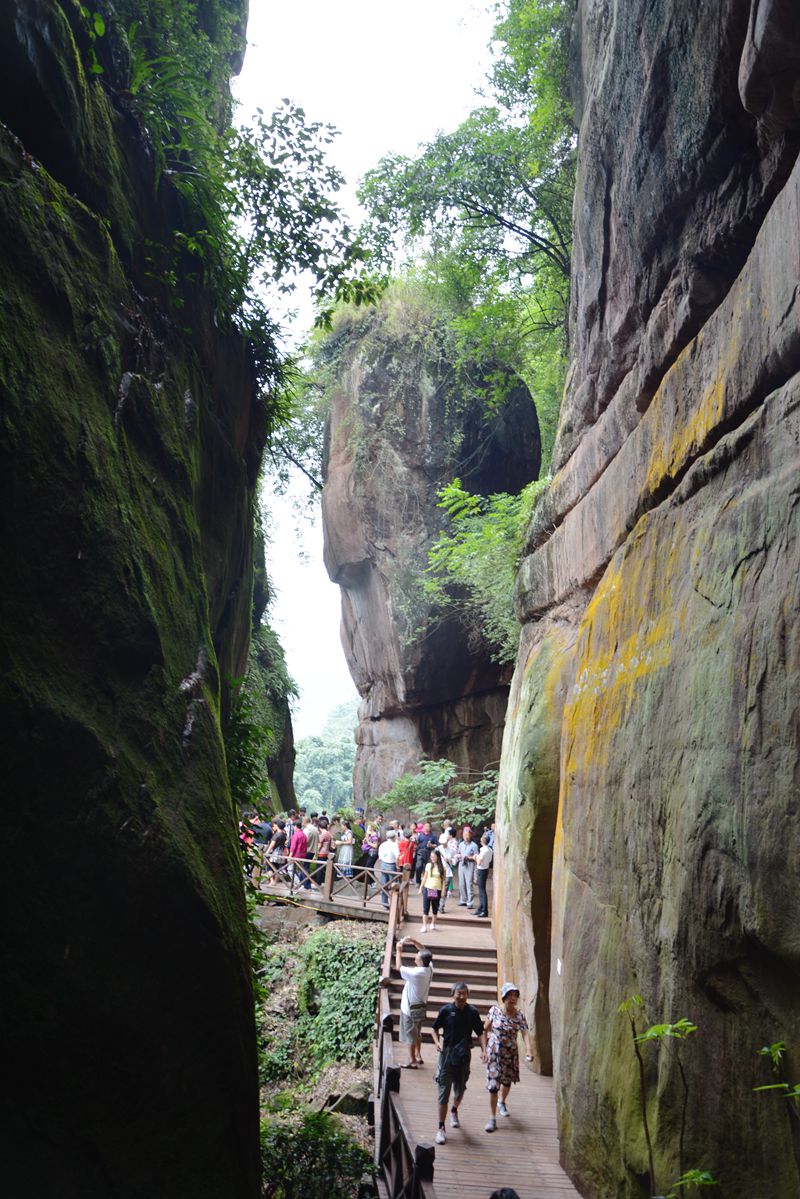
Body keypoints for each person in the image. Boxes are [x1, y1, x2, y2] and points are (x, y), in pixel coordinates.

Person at [431, 981, 486, 1144]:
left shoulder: (472, 1012)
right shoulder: (446, 1011)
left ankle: (454, 1110)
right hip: (447, 1054)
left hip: (464, 1055)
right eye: (458, 993)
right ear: (452, 994)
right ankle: (441, 1127)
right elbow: (434, 1029)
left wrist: (484, 1050)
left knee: (460, 1089)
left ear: (467, 995)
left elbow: (480, 1032)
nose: (461, 997)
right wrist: (437, 1042)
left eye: (464, 993)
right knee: (443, 1090)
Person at [483, 983, 533, 1132]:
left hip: (510, 1053)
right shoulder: (494, 1011)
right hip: (494, 1052)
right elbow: (484, 1030)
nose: (513, 998)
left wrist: (529, 1049)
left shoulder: (519, 1015)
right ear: (504, 997)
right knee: (493, 1085)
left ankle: (502, 1101)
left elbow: (524, 1033)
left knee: (506, 1081)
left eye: (515, 996)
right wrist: (484, 1049)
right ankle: (492, 1119)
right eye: (510, 995)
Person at [395, 936, 433, 1068]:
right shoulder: (429, 968)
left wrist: (399, 951)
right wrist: (413, 941)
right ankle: (418, 1055)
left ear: (421, 962)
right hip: (420, 1006)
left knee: (411, 1036)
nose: (414, 958)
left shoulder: (417, 974)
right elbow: (423, 949)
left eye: (417, 957)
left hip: (410, 1009)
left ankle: (412, 1061)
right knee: (417, 1033)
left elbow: (399, 967)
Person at [419, 847, 445, 932]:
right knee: (425, 908)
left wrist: (443, 890)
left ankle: (433, 923)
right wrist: (420, 888)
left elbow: (443, 880)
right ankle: (424, 926)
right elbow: (425, 877)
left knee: (435, 908)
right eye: (431, 856)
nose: (432, 858)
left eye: (433, 856)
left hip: (436, 889)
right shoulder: (428, 865)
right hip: (428, 888)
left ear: (437, 857)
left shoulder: (442, 867)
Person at [377, 829, 399, 908]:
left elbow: (380, 857)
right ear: (394, 837)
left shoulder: (382, 845)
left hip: (383, 864)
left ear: (387, 837)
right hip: (391, 865)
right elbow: (397, 857)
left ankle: (384, 904)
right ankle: (394, 903)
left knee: (384, 884)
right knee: (394, 885)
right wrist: (398, 866)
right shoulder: (394, 845)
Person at [458, 826, 479, 907]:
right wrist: (459, 856)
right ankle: (463, 900)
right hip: (461, 864)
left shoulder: (474, 845)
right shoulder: (461, 844)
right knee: (461, 883)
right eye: (464, 835)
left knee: (469, 883)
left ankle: (470, 902)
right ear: (462, 835)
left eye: (468, 835)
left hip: (470, 865)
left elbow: (477, 857)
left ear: (470, 835)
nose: (466, 837)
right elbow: (458, 853)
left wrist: (469, 857)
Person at [474, 832, 493, 918]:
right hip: (485, 869)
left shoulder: (483, 850)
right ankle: (480, 908)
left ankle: (484, 910)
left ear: (483, 840)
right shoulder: (490, 849)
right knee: (481, 890)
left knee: (482, 891)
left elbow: (479, 862)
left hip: (481, 870)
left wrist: (475, 857)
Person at [440, 827, 458, 913]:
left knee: (445, 889)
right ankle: (436, 904)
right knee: (437, 889)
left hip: (447, 872)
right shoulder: (438, 849)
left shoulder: (451, 850)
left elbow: (455, 859)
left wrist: (450, 860)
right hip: (438, 872)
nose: (443, 844)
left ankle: (441, 906)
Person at [414, 820, 437, 885]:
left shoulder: (433, 835)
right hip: (420, 852)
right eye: (425, 826)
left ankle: (427, 881)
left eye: (428, 826)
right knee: (418, 866)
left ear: (430, 827)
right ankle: (418, 881)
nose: (426, 827)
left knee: (428, 867)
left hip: (429, 852)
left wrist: (431, 845)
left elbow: (436, 845)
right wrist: (415, 842)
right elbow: (417, 843)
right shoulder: (420, 834)